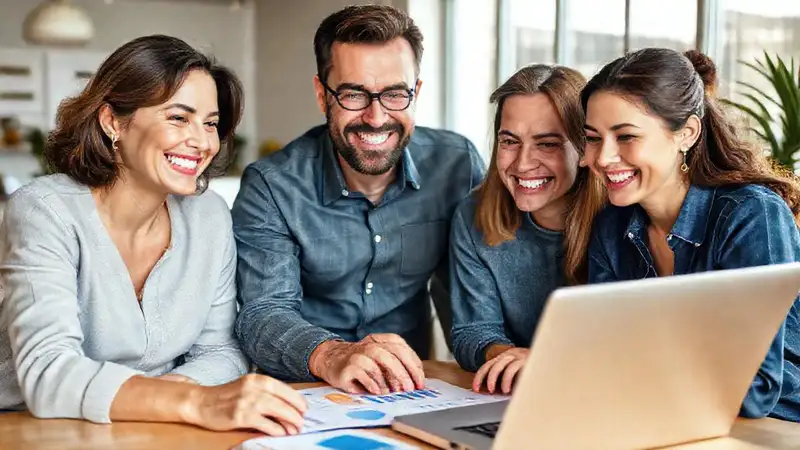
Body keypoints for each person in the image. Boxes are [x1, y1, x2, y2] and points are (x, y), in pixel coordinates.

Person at [0, 35, 306, 436]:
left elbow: (221, 352)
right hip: (33, 430)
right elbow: (49, 372)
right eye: (178, 117)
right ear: (113, 122)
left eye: (210, 123)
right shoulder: (44, 210)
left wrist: (157, 400)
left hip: (154, 429)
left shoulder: (209, 216)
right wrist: (193, 400)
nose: (202, 141)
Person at [232, 5, 485, 394]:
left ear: (415, 93)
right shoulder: (271, 186)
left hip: (411, 391)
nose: (376, 116)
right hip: (304, 394)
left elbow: (477, 285)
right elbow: (263, 315)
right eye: (353, 94)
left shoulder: (457, 165)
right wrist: (333, 354)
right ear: (322, 94)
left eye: (395, 94)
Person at [582, 48, 800, 422]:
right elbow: (605, 358)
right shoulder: (611, 227)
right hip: (671, 416)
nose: (602, 158)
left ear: (686, 134)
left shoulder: (750, 215)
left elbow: (753, 390)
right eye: (593, 137)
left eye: (626, 136)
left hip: (775, 429)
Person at [449, 65, 605, 395]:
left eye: (547, 144)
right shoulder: (473, 216)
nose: (522, 164)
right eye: (509, 141)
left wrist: (545, 362)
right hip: (525, 395)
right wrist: (512, 358)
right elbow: (473, 332)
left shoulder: (620, 219)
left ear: (584, 148)